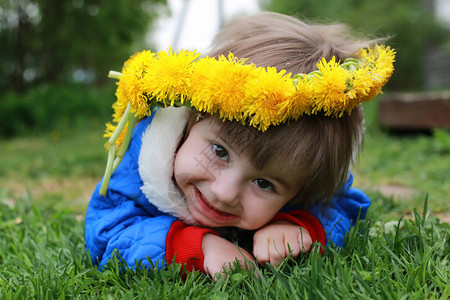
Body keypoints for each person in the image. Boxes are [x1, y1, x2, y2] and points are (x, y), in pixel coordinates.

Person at [84, 12, 395, 277]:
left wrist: (302, 226)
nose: (224, 192)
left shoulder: (307, 168)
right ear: (193, 119)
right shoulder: (143, 160)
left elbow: (343, 205)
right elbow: (106, 230)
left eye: (264, 183)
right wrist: (196, 247)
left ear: (301, 189)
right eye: (220, 152)